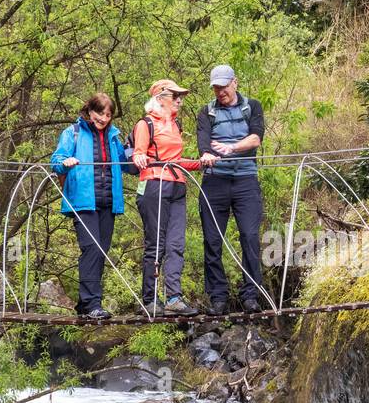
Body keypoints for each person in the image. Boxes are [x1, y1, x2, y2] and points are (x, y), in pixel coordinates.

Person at [50, 91, 137, 321]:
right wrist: (65, 162)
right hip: (83, 201)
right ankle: (92, 304)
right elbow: (56, 161)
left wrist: (139, 153)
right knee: (92, 249)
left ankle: (84, 303)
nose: (104, 118)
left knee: (101, 252)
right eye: (100, 113)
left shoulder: (113, 138)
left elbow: (128, 165)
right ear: (90, 111)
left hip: (108, 202)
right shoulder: (73, 133)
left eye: (108, 114)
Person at [195, 64, 265, 315]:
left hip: (246, 181)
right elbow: (204, 144)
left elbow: (256, 138)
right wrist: (206, 155)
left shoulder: (252, 107)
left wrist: (231, 148)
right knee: (213, 240)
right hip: (215, 182)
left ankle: (251, 295)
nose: (220, 91)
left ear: (235, 82)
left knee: (249, 236)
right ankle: (218, 298)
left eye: (223, 86)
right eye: (216, 87)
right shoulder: (206, 112)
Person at [133, 78, 206, 315]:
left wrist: (201, 163)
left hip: (177, 186)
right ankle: (151, 298)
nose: (179, 100)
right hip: (154, 185)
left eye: (180, 96)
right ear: (160, 98)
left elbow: (176, 160)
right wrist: (139, 157)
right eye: (175, 96)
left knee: (176, 244)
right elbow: (138, 154)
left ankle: (174, 297)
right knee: (156, 243)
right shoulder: (146, 124)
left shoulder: (175, 126)